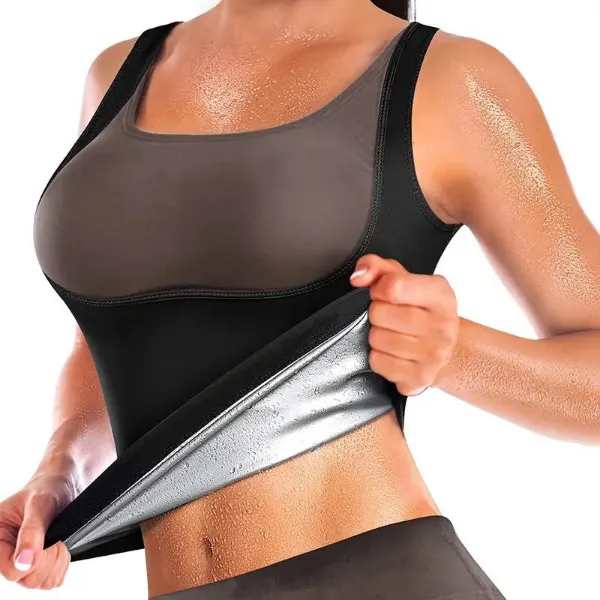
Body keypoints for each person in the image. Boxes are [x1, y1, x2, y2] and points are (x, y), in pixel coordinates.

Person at [1, 0, 599, 598]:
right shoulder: (117, 76)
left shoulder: (448, 80)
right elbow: (109, 340)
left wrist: (456, 354)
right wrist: (64, 471)